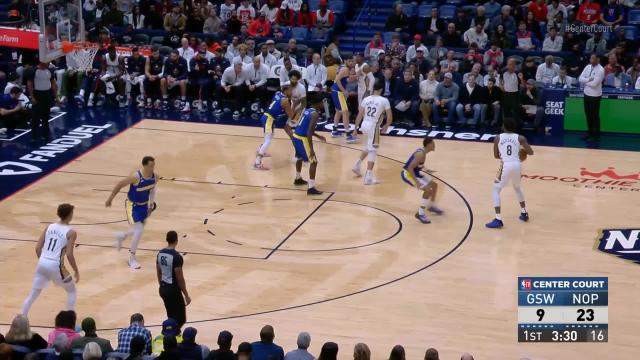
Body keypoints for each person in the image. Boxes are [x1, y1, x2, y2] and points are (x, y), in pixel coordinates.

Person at [21, 204, 79, 315]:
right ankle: (70, 323)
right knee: (71, 291)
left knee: (33, 294)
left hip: (42, 262)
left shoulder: (49, 227)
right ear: (69, 215)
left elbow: (37, 248)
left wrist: (43, 262)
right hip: (56, 265)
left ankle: (21, 318)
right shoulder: (71, 232)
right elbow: (69, 254)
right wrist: (76, 270)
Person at [105, 156, 157, 269]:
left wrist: (150, 205)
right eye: (150, 165)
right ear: (144, 165)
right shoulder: (136, 177)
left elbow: (152, 190)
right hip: (132, 206)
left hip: (144, 206)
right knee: (139, 231)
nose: (153, 167)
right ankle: (131, 258)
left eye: (154, 165)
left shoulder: (154, 177)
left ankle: (122, 236)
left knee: (137, 230)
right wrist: (110, 198)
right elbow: (119, 184)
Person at [486, 118, 534, 229]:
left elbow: (496, 156)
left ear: (503, 126)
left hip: (506, 165)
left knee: (495, 190)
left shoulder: (498, 138)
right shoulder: (520, 138)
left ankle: (498, 219)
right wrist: (522, 152)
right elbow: (531, 152)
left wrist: (505, 155)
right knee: (517, 187)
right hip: (517, 165)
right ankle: (524, 212)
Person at [352, 78, 392, 185]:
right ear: (382, 89)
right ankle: (368, 176)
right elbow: (390, 117)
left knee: (369, 146)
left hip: (364, 124)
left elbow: (359, 115)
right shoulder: (384, 100)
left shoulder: (366, 99)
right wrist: (387, 125)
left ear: (373, 89)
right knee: (373, 150)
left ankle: (357, 165)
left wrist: (355, 128)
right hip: (374, 126)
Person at [401, 137, 443, 224]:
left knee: (434, 185)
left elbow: (418, 164)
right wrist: (417, 182)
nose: (434, 145)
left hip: (415, 172)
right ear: (429, 145)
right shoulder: (420, 154)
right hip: (408, 174)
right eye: (433, 143)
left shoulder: (423, 153)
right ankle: (420, 213)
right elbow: (409, 168)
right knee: (428, 190)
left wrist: (426, 169)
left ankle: (431, 206)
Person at [291, 94, 327, 195]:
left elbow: (305, 127)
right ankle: (311, 188)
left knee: (299, 157)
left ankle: (298, 178)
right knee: (313, 161)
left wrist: (318, 136)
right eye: (322, 103)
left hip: (295, 135)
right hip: (302, 138)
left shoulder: (307, 110)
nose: (323, 105)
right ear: (318, 103)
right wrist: (311, 149)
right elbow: (308, 133)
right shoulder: (315, 114)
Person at [254, 84, 295, 170]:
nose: (292, 92)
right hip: (269, 119)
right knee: (268, 140)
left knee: (270, 136)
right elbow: (291, 115)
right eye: (291, 90)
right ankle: (257, 163)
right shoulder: (285, 101)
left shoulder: (278, 94)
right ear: (285, 91)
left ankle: (260, 150)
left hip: (267, 117)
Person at [157, 230, 191, 328]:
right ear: (176, 240)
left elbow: (158, 272)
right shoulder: (176, 257)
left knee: (171, 315)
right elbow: (180, 278)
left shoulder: (160, 253)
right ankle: (173, 337)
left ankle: (170, 335)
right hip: (173, 290)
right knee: (180, 319)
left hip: (163, 288)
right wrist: (186, 295)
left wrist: (162, 287)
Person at [26, 61, 56, 142]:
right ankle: (34, 137)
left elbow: (53, 83)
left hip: (47, 94)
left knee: (45, 117)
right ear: (41, 62)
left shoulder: (50, 70)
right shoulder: (33, 71)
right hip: (37, 94)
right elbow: (29, 84)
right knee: (35, 117)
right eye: (47, 62)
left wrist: (56, 95)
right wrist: (32, 97)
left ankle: (45, 135)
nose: (48, 63)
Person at [578, 54, 605, 142]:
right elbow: (580, 78)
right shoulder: (587, 67)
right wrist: (589, 79)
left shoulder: (600, 70)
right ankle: (590, 134)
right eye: (590, 58)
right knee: (588, 115)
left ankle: (596, 136)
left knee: (595, 116)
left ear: (598, 59)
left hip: (595, 96)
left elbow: (594, 84)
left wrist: (585, 81)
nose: (591, 59)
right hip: (586, 94)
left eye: (593, 58)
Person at [331, 57, 355, 141]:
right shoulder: (345, 69)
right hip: (338, 92)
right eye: (349, 60)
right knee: (345, 112)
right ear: (345, 61)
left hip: (335, 91)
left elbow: (344, 79)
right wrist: (344, 91)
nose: (351, 62)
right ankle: (348, 135)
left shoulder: (342, 67)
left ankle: (334, 130)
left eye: (352, 61)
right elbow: (337, 80)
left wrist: (355, 76)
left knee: (338, 111)